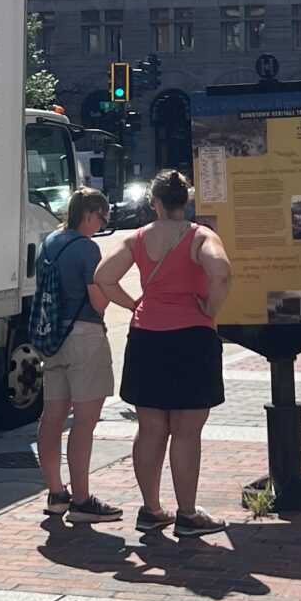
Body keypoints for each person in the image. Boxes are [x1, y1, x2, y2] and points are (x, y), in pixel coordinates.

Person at [94, 169, 234, 535]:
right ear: (184, 202)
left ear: (154, 202)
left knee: (150, 427)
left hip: (146, 337)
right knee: (187, 431)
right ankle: (187, 513)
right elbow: (221, 271)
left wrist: (132, 304)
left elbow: (103, 276)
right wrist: (210, 307)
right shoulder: (199, 236)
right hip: (191, 338)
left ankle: (151, 508)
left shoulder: (137, 239)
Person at [35, 188, 125, 522]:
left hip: (52, 339)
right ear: (90, 214)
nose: (103, 224)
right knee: (84, 422)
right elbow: (99, 303)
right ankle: (83, 501)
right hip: (84, 337)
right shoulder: (87, 249)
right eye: (103, 218)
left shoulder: (49, 243)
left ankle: (57, 493)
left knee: (52, 418)